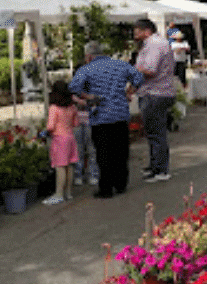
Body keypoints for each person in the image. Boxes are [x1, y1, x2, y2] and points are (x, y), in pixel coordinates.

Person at [69, 40, 143, 199]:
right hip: (120, 114)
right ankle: (121, 184)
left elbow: (74, 88)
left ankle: (106, 188)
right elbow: (138, 77)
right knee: (121, 151)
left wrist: (88, 97)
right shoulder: (120, 64)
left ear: (88, 56)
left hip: (100, 116)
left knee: (103, 153)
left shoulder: (86, 69)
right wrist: (129, 92)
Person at [132, 18, 176, 182]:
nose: (134, 33)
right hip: (156, 92)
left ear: (146, 30)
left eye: (137, 30)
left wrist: (132, 69)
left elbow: (150, 70)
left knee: (156, 133)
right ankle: (155, 165)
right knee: (153, 132)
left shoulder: (154, 44)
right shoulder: (155, 44)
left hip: (155, 94)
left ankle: (160, 169)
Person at [43, 80, 79, 205]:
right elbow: (76, 123)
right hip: (70, 138)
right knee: (70, 166)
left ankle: (58, 194)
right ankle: (68, 193)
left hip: (59, 139)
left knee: (60, 167)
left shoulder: (54, 108)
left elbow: (50, 126)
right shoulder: (72, 107)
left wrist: (44, 132)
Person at [72, 96, 99, 187]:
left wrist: (83, 101)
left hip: (90, 121)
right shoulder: (74, 89)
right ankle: (79, 175)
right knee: (79, 150)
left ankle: (92, 175)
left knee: (91, 150)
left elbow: (97, 101)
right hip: (77, 122)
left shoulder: (92, 88)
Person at [168, 23, 191, 87]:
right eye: (178, 37)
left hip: (182, 60)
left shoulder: (184, 43)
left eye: (180, 37)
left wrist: (181, 48)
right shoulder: (173, 44)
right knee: (175, 74)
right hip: (175, 60)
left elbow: (188, 49)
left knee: (182, 75)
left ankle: (184, 86)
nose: (179, 38)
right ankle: (175, 86)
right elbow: (171, 50)